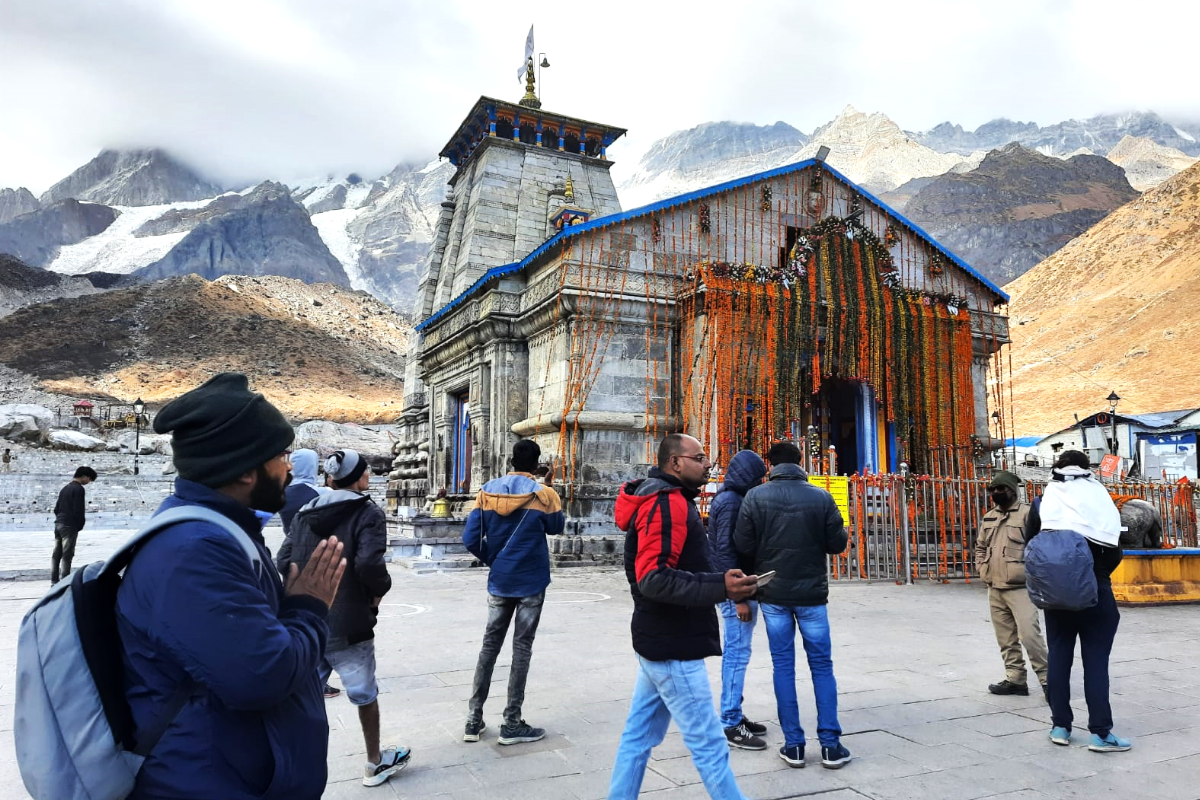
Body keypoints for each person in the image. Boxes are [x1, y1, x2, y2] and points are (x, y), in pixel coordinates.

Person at [115, 372, 346, 799]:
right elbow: (261, 675)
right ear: (243, 470)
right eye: (281, 454)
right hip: (207, 782)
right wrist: (309, 608)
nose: (288, 467)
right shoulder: (192, 553)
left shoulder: (220, 533)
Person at [608, 433, 759, 800]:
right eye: (700, 456)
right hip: (673, 641)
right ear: (675, 462)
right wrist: (720, 587)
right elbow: (653, 578)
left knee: (638, 738)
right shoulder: (666, 503)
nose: (708, 463)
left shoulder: (671, 500)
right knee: (710, 747)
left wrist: (721, 583)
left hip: (658, 638)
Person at [281, 448, 411, 787]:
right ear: (361, 477)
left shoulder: (305, 512)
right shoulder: (368, 512)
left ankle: (298, 766)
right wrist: (379, 590)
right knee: (364, 695)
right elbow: (369, 564)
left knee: (307, 695)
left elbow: (283, 558)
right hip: (350, 622)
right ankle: (373, 762)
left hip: (307, 621)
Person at [733, 440, 852, 770]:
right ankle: (830, 745)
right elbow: (836, 544)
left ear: (770, 465)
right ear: (801, 463)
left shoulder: (755, 497)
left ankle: (794, 745)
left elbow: (742, 542)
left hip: (773, 594)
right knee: (822, 666)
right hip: (812, 595)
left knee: (783, 665)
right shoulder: (821, 495)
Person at [1025, 449, 1131, 753]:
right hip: (1095, 590)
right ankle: (1100, 733)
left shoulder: (1043, 504)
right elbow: (1114, 549)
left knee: (1058, 655)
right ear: (1088, 470)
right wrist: (1097, 575)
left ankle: (1060, 726)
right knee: (1096, 661)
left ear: (1057, 470)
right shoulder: (1100, 500)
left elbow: (1033, 545)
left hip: (1056, 595)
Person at [461, 438, 564, 745]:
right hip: (531, 580)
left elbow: (470, 538)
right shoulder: (545, 495)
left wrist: (494, 559)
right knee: (522, 649)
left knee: (489, 647)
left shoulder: (486, 491)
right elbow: (556, 527)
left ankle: (473, 719)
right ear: (536, 463)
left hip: (500, 580)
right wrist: (549, 486)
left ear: (511, 461)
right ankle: (511, 722)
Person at [707, 449, 769, 750]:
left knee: (738, 651)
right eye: (757, 476)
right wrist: (738, 597)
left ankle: (735, 712)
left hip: (738, 585)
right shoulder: (731, 502)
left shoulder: (731, 497)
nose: (760, 481)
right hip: (735, 589)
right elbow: (725, 552)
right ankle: (729, 722)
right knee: (737, 653)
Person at [975, 470, 1049, 702]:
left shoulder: (1029, 514)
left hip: (1021, 587)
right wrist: (982, 568)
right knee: (1005, 638)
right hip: (994, 586)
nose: (996, 493)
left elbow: (1041, 546)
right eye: (993, 490)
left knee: (1030, 636)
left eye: (1001, 489)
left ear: (1012, 490)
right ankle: (1015, 679)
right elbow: (980, 547)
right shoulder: (989, 517)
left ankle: (1049, 681)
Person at [276, 449, 342, 698]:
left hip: (292, 558)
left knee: (296, 616)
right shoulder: (322, 494)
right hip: (319, 560)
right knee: (322, 621)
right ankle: (316, 679)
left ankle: (299, 671)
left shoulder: (284, 495)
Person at [51, 465, 96, 584]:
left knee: (57, 554)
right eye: (89, 479)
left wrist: (60, 519)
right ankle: (65, 581)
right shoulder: (79, 489)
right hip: (69, 525)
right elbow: (78, 509)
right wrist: (79, 524)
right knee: (67, 554)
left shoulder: (65, 488)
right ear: (84, 476)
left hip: (59, 523)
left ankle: (54, 580)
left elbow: (56, 508)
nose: (89, 482)